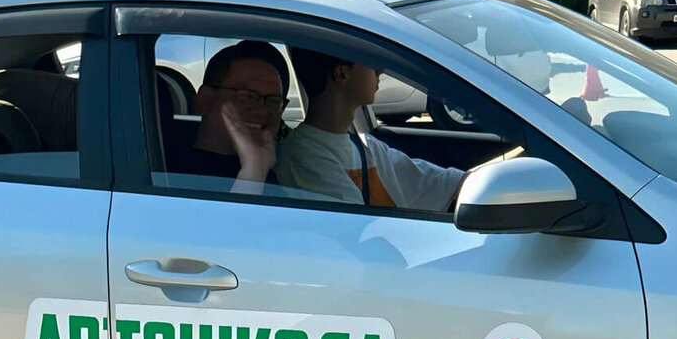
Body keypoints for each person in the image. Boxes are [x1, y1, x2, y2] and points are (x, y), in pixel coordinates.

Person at [277, 48, 465, 212]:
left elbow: (444, 183)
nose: (380, 70)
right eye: (369, 60)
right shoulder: (304, 157)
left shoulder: (365, 145)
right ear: (342, 74)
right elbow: (353, 229)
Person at [169, 40, 289, 188]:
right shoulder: (169, 177)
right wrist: (253, 173)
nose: (262, 110)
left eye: (273, 101)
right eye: (246, 96)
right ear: (205, 99)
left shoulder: (270, 171)